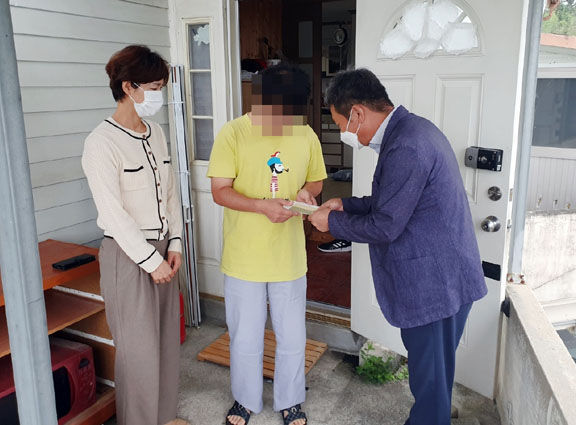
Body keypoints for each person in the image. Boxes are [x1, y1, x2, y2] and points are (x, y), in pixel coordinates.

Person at [309, 68, 488, 425]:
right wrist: (345, 205)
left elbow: (386, 225)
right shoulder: (414, 130)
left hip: (433, 286)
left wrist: (331, 223)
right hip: (446, 277)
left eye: (342, 124)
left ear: (358, 113)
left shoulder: (406, 145)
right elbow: (395, 202)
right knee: (435, 377)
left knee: (430, 383)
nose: (345, 134)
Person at [207, 64, 327, 425]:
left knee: (292, 337)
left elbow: (317, 181)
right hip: (244, 256)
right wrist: (261, 206)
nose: (283, 123)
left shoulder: (305, 134)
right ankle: (245, 400)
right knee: (245, 337)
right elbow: (219, 191)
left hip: (288, 256)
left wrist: (307, 192)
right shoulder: (233, 133)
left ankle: (290, 400)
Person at [82, 45, 188, 425]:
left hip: (164, 253)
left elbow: (170, 191)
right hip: (127, 258)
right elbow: (113, 213)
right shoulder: (101, 143)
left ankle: (164, 418)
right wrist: (149, 261)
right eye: (154, 87)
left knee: (166, 346)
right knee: (138, 354)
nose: (159, 95)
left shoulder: (156, 133)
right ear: (128, 86)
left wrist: (175, 242)